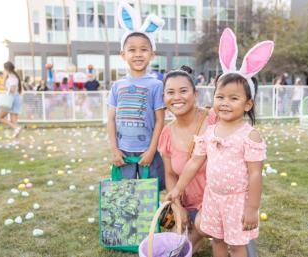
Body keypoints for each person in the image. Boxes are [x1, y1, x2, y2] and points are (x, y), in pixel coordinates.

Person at [167, 28, 272, 257]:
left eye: (233, 98)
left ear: (247, 104)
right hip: (212, 198)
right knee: (217, 240)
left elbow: (255, 175)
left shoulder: (249, 135)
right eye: (220, 97)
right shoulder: (210, 131)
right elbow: (194, 163)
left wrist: (252, 209)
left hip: (237, 201)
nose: (225, 103)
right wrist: (177, 189)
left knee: (237, 244)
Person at [107, 2, 166, 189]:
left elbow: (159, 121)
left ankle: (152, 220)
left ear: (152, 54)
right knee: (125, 194)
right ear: (123, 54)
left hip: (147, 152)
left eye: (144, 49)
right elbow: (111, 119)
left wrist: (151, 151)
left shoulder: (156, 85)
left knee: (150, 193)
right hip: (123, 153)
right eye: (132, 50)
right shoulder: (117, 86)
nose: (138, 54)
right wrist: (115, 150)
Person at [158, 66, 215, 253]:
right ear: (164, 97)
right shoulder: (166, 133)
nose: (177, 97)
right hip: (188, 201)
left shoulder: (212, 121)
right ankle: (195, 231)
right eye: (170, 92)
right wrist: (178, 206)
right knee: (181, 242)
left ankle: (199, 230)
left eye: (183, 91)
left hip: (217, 198)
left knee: (191, 237)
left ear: (195, 93)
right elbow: (169, 174)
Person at [0, 61, 22, 137]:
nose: (3, 71)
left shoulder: (13, 78)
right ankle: (16, 132)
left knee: (0, 118)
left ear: (7, 69)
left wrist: (4, 87)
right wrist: (4, 78)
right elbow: (5, 85)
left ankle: (16, 128)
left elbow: (12, 90)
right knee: (13, 120)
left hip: (11, 99)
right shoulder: (12, 77)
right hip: (14, 98)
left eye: (4, 69)